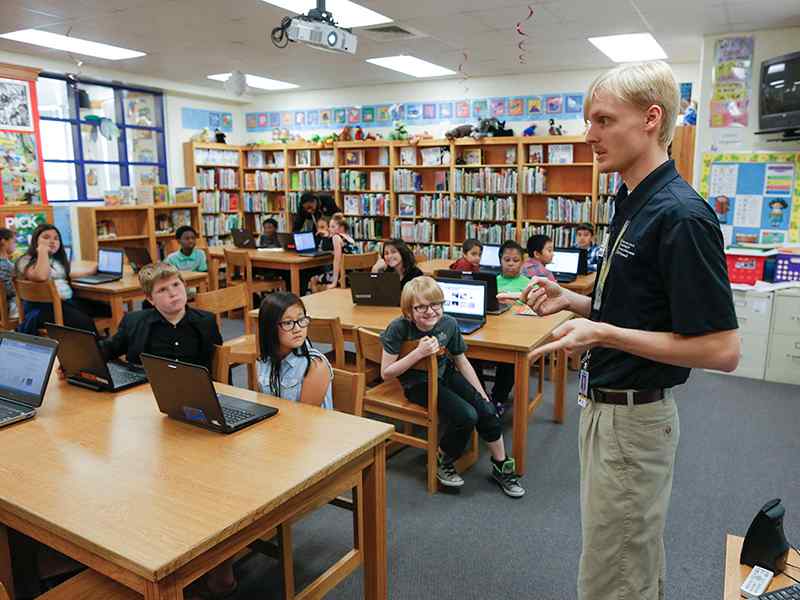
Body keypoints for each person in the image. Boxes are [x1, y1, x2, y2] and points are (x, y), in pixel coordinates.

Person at [519, 60, 739, 600]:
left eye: (602, 120)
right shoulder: (631, 198)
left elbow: (722, 349)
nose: (589, 135)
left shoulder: (682, 216)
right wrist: (573, 301)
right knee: (624, 558)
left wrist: (603, 335)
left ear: (650, 119)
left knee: (614, 574)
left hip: (635, 421)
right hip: (607, 409)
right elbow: (638, 306)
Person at [380, 276, 524, 497]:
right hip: (417, 383)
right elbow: (386, 373)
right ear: (409, 311)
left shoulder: (448, 323)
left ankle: (501, 466)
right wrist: (418, 353)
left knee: (486, 410)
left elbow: (460, 360)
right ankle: (441, 459)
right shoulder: (398, 328)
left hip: (445, 374)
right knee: (466, 416)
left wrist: (481, 393)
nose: (430, 311)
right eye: (420, 307)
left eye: (435, 304)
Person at [99, 262, 221, 370]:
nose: (173, 293)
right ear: (151, 299)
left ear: (184, 285)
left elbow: (218, 366)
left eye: (176, 285)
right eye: (162, 290)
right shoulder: (133, 322)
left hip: (194, 389)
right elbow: (105, 351)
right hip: (145, 390)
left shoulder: (206, 321)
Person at [15, 224, 104, 334]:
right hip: (43, 308)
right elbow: (41, 276)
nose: (52, 241)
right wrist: (42, 251)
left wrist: (91, 271)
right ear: (35, 240)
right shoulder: (25, 260)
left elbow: (64, 274)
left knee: (105, 309)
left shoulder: (55, 260)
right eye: (46, 237)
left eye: (56, 239)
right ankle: (96, 350)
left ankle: (108, 344)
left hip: (65, 302)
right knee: (85, 322)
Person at [257, 291, 333, 407]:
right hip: (276, 423)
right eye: (288, 323)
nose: (297, 329)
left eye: (301, 319)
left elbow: (305, 418)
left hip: (302, 424)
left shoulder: (315, 365)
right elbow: (261, 405)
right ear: (270, 327)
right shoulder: (264, 360)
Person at [314, 213, 356, 290]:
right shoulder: (349, 238)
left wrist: (334, 282)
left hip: (344, 277)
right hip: (353, 276)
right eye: (329, 226)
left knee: (314, 278)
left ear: (342, 228)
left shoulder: (336, 237)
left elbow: (337, 260)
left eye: (333, 227)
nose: (330, 229)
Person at [0, 228, 17, 319]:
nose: (15, 245)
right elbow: (8, 292)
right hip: (6, 310)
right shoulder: (5, 265)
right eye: (14, 241)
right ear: (3, 241)